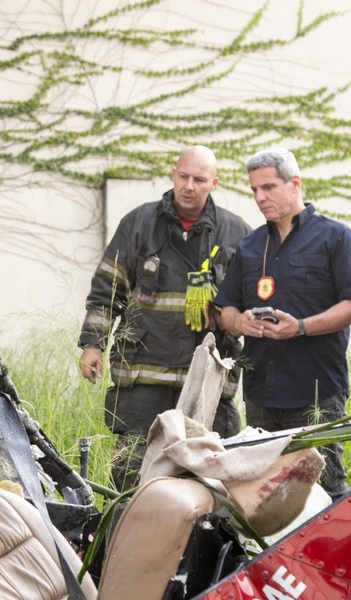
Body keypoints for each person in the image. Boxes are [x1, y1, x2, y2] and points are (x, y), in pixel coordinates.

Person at [78, 146, 251, 490]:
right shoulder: (138, 224)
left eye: (199, 179)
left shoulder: (236, 234)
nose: (189, 185)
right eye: (183, 176)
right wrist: (92, 345)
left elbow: (249, 310)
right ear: (173, 175)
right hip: (143, 382)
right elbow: (107, 290)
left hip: (206, 384)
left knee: (212, 484)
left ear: (213, 183)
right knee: (131, 479)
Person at [214, 147, 351, 498]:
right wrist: (240, 322)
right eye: (254, 189)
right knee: (265, 495)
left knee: (325, 491)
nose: (259, 197)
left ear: (295, 184)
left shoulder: (335, 238)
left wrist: (299, 327)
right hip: (261, 393)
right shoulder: (250, 247)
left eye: (268, 187)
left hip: (316, 391)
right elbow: (223, 310)